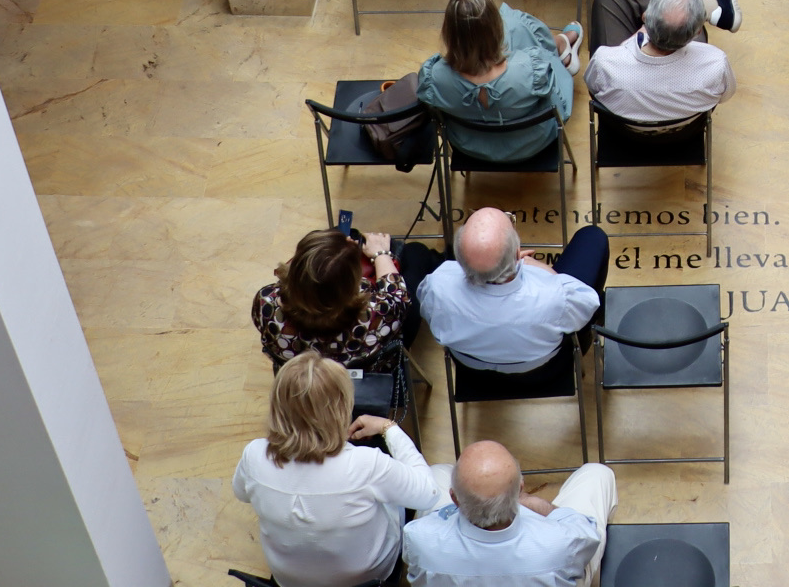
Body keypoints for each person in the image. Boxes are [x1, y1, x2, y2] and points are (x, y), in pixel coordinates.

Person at [232, 351, 448, 587]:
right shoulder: (366, 464)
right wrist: (389, 428)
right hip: (369, 577)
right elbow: (429, 494)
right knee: (440, 477)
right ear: (341, 408)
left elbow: (241, 493)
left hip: (289, 579)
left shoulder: (254, 454)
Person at [417, 207, 609, 373]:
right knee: (593, 236)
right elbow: (588, 302)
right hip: (545, 371)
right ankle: (584, 343)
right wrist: (535, 266)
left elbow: (428, 309)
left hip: (472, 372)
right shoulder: (555, 296)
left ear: (458, 261)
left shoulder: (438, 285)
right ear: (518, 253)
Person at [402, 439, 613, 587]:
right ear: (520, 489)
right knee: (597, 473)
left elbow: (433, 524)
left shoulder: (419, 537)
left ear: (454, 498)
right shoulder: (561, 542)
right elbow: (587, 532)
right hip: (558, 557)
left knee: (438, 471)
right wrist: (541, 507)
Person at [415, 0, 582, 165]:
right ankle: (560, 45)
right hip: (532, 143)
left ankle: (560, 43)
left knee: (515, 29)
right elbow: (559, 108)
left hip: (470, 147)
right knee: (516, 25)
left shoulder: (434, 78)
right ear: (495, 28)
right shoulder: (531, 69)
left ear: (449, 32)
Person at [252, 227, 417, 368]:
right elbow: (399, 297)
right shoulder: (375, 314)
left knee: (348, 232)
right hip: (368, 373)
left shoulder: (265, 302)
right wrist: (381, 253)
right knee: (417, 254)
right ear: (352, 283)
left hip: (302, 377)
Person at [585, 0, 736, 125]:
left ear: (644, 17)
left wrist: (637, 38)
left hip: (621, 139)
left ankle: (711, 5)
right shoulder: (715, 64)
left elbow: (594, 90)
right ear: (697, 34)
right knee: (684, 18)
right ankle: (713, 5)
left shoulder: (604, 62)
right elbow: (723, 96)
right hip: (683, 139)